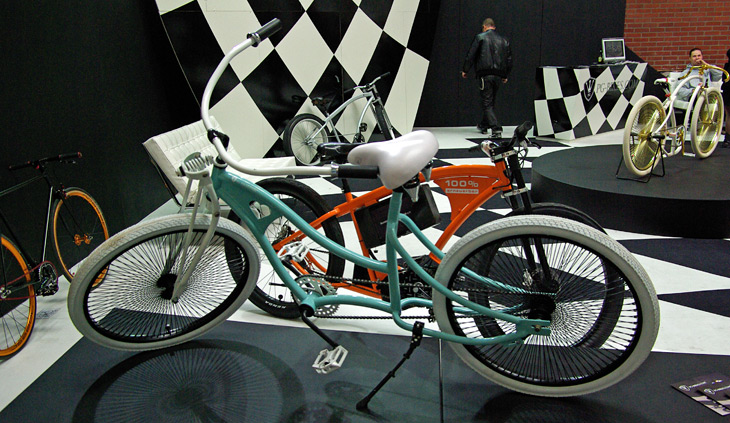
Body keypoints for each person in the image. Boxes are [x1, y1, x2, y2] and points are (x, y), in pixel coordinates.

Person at [461, 18, 512, 137]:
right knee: (491, 101)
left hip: (485, 74)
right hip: (498, 75)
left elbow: (471, 55)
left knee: (487, 102)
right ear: (494, 27)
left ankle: (496, 128)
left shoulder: (480, 37)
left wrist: (465, 69)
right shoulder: (503, 40)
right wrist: (505, 75)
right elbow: (509, 59)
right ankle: (484, 124)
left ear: (484, 27)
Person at [723, 48, 730, 146]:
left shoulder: (726, 66)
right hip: (728, 91)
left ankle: (727, 139)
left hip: (726, 92)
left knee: (728, 115)